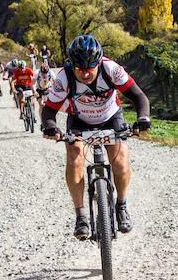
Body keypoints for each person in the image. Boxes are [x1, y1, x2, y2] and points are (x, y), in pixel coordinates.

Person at [41, 34, 151, 239]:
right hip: (79, 120)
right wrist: (50, 127)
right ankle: (81, 215)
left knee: (120, 164)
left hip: (111, 117)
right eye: (80, 69)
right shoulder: (64, 78)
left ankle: (121, 206)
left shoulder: (111, 70)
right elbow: (49, 110)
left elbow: (138, 96)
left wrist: (143, 118)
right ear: (72, 65)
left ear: (98, 62)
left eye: (90, 68)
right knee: (75, 160)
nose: (85, 74)